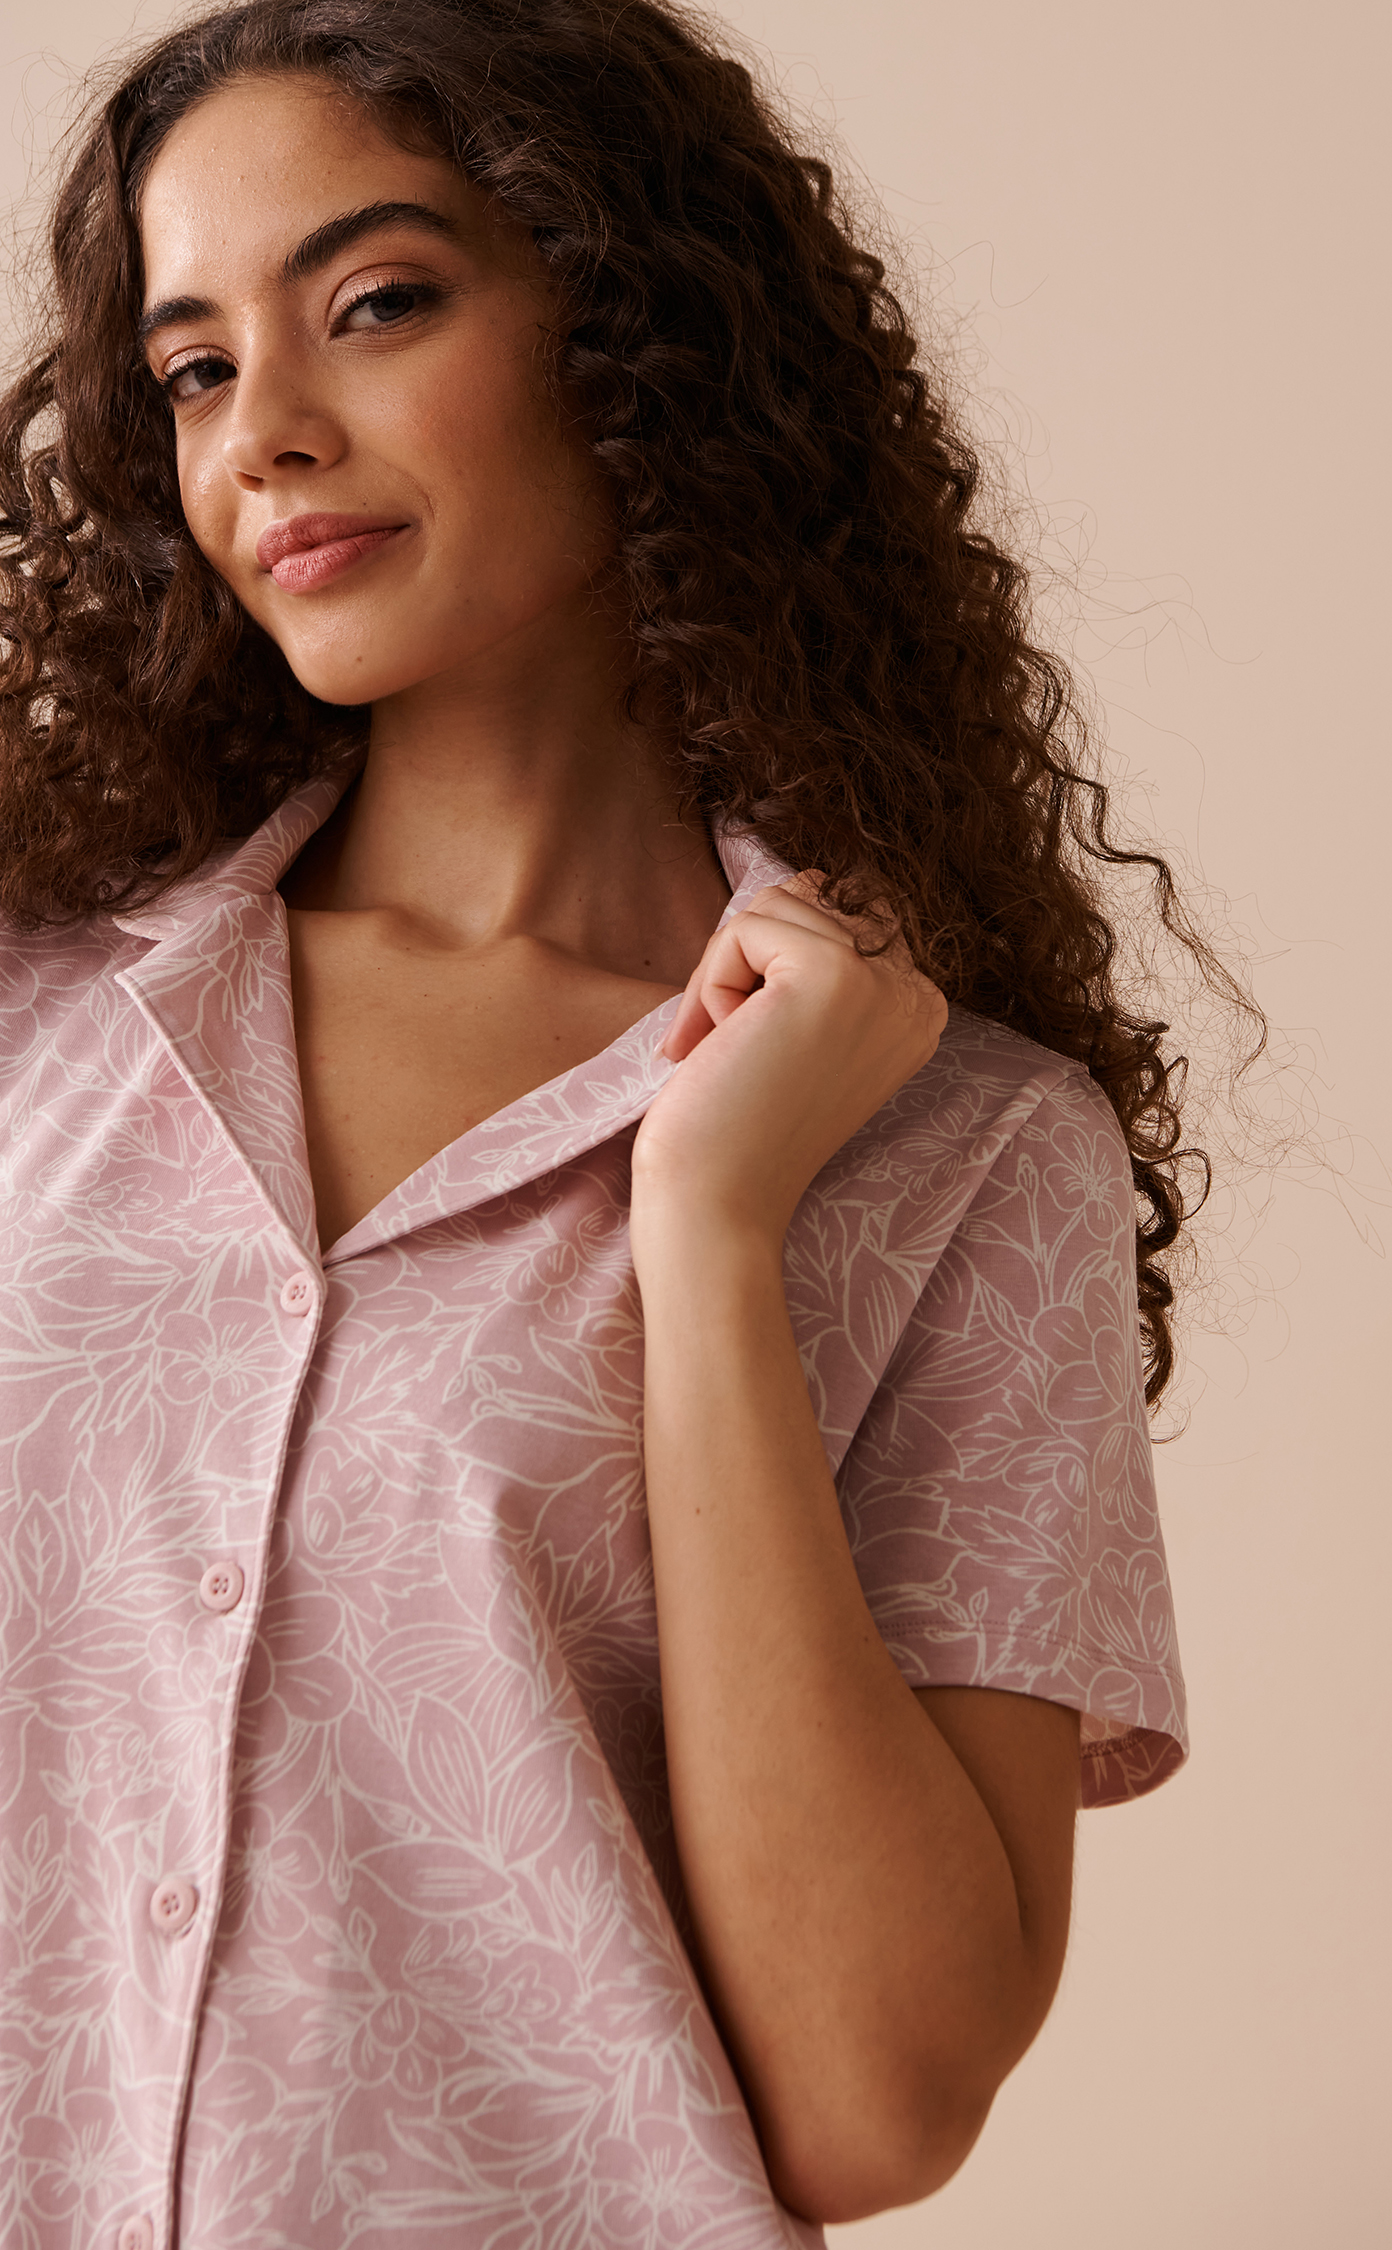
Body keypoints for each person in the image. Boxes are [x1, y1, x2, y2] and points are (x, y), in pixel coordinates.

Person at [0, 3, 1251, 2244]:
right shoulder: (35, 1033)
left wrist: (713, 1231)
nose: (266, 433)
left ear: (629, 328)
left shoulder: (963, 1156)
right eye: (192, 369)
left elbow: (870, 2105)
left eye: (378, 303)